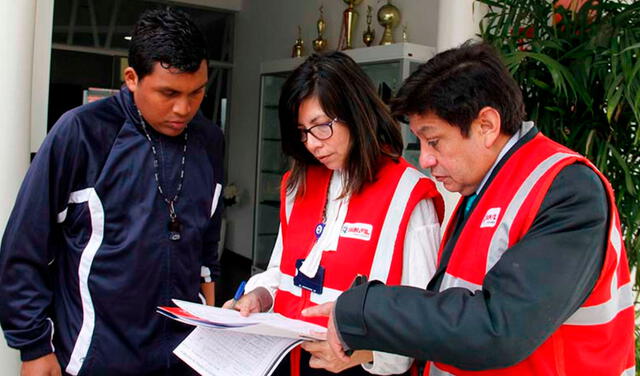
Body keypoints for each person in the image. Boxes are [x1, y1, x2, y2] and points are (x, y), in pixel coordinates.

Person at [303, 41, 635, 375]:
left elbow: (497, 329)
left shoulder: (568, 191)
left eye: (434, 141)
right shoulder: (482, 191)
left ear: (486, 125)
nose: (426, 159)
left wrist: (365, 309)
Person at [0, 7, 224, 375]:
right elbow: (25, 247)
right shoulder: (82, 132)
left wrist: (213, 331)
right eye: (168, 93)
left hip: (184, 358)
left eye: (197, 92)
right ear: (132, 78)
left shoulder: (209, 139)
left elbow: (205, 246)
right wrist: (34, 347)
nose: (184, 108)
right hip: (97, 358)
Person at [223, 51, 444, 375]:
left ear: (356, 113)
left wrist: (363, 353)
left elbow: (420, 320)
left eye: (321, 126)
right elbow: (281, 273)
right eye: (302, 131)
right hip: (290, 360)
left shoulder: (408, 194)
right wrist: (260, 296)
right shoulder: (297, 184)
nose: (312, 144)